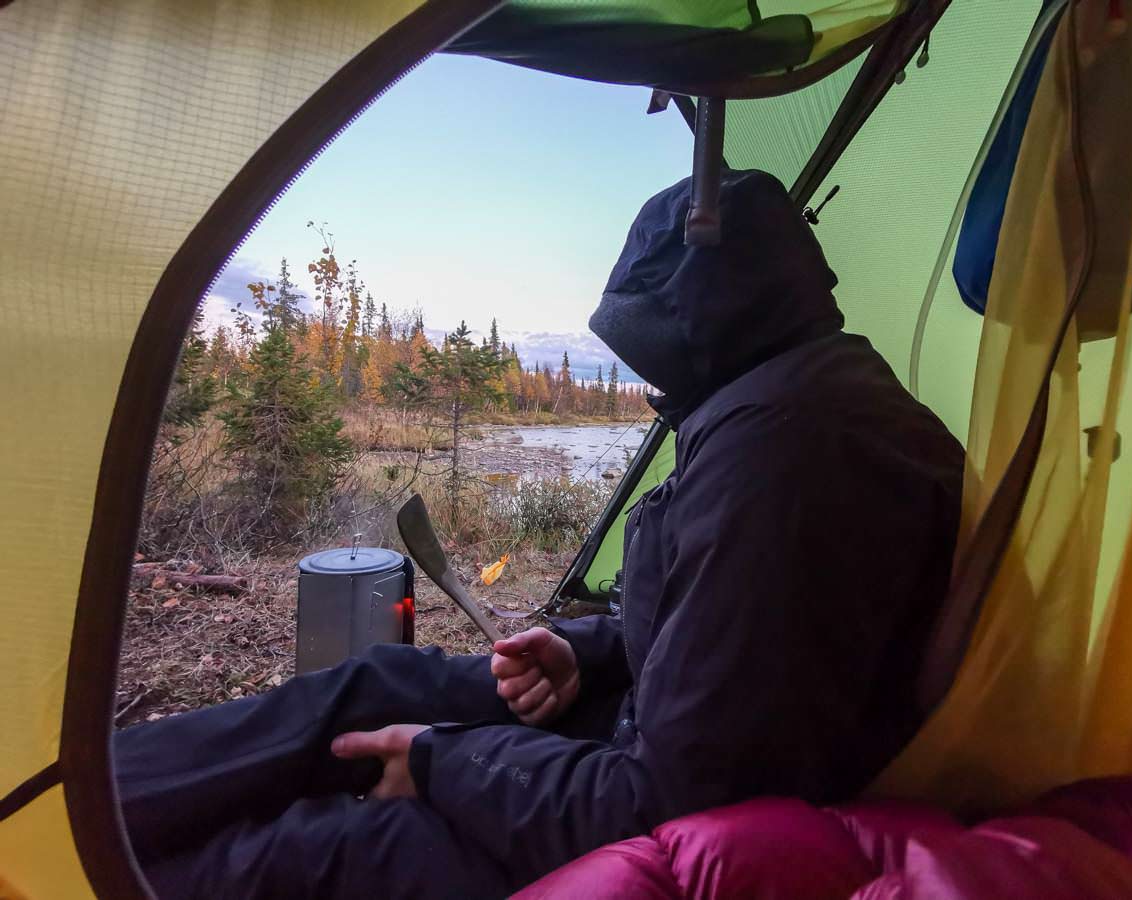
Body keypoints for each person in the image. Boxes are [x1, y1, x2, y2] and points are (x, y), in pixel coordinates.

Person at [116, 169, 964, 898]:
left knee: (323, 849)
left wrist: (448, 764)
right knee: (373, 684)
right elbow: (735, 640)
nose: (644, 377)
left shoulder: (790, 459)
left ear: (701, 321)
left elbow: (668, 805)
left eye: (645, 346)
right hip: (652, 738)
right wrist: (590, 651)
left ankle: (95, 870)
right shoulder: (794, 394)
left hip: (662, 823)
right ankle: (89, 797)